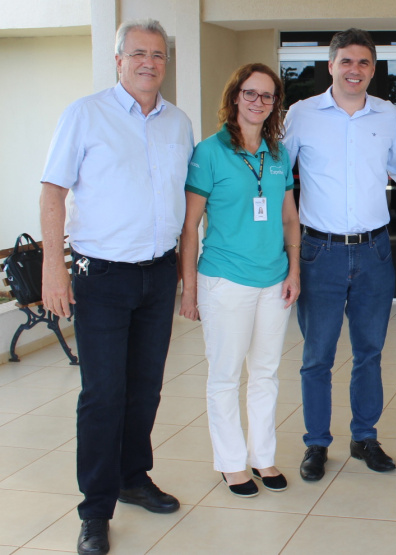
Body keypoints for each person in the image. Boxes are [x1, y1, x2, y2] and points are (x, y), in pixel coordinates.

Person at [39, 19, 194, 555]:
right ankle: (96, 510)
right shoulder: (85, 114)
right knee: (103, 395)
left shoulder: (179, 122)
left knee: (145, 387)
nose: (148, 62)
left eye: (157, 54)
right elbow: (53, 191)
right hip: (100, 275)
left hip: (157, 274)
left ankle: (134, 477)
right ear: (119, 60)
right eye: (138, 53)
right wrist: (52, 269)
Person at [282, 29, 396, 482]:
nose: (354, 70)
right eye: (346, 62)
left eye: (363, 63)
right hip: (320, 252)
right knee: (317, 354)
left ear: (372, 69)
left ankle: (364, 436)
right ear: (331, 65)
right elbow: (279, 175)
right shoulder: (301, 115)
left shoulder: (387, 114)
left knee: (369, 351)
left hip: (375, 251)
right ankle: (316, 443)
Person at [179, 63, 298, 497]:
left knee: (266, 373)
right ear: (234, 97)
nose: (258, 102)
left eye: (268, 96)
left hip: (274, 280)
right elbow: (190, 226)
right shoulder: (209, 152)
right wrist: (189, 289)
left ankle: (263, 456)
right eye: (251, 93)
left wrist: (294, 271)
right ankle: (232, 463)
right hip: (225, 281)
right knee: (226, 375)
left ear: (275, 104)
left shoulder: (278, 152)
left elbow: (288, 217)